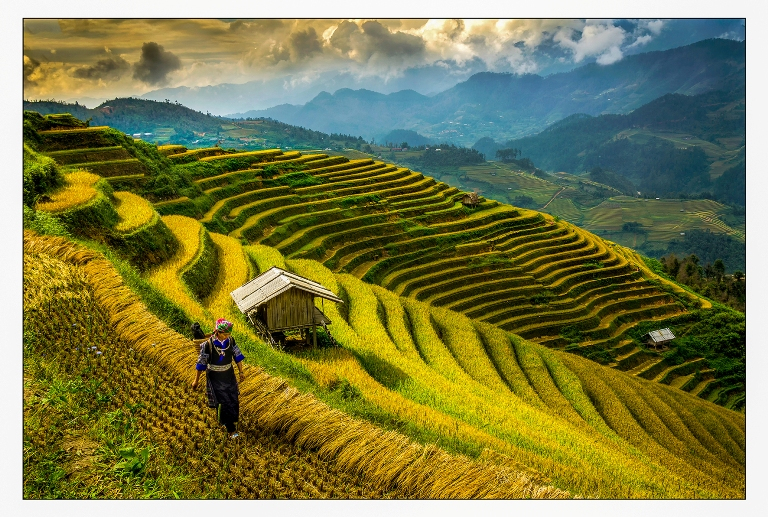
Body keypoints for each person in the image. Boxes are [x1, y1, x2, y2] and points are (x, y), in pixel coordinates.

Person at [191, 318, 246, 438]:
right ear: (217, 332)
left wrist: (241, 372)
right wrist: (196, 380)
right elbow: (201, 363)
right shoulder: (208, 345)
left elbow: (237, 355)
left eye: (228, 334)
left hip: (229, 374)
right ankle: (231, 430)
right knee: (223, 401)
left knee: (233, 398)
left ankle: (228, 421)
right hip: (215, 377)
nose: (227, 336)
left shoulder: (231, 341)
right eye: (224, 334)